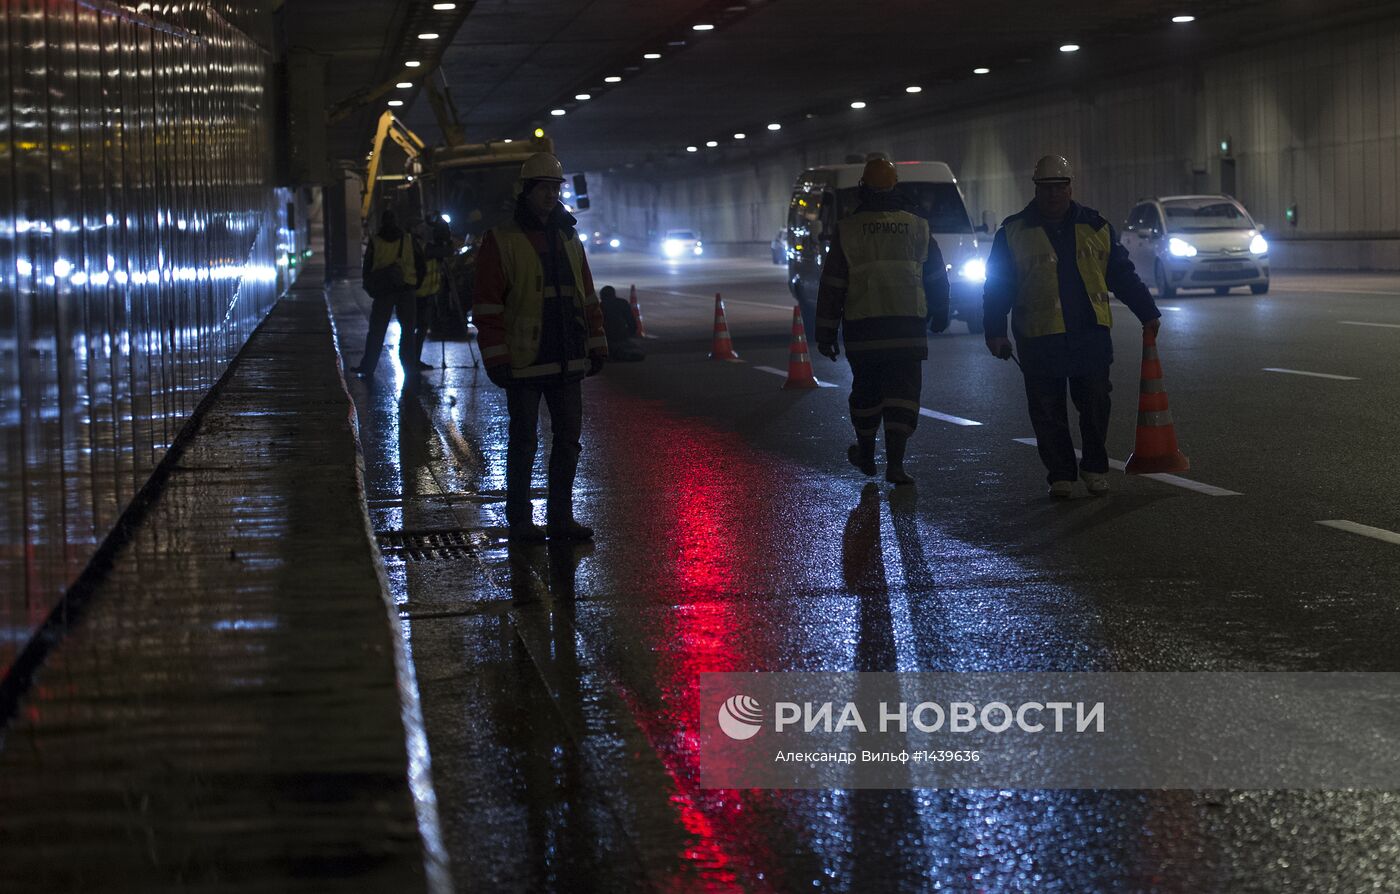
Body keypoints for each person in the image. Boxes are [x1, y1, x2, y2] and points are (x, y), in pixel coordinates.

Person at [982, 154, 1162, 498]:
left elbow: (1121, 274)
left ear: (1069, 187)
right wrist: (994, 331)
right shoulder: (1013, 232)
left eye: (1059, 187)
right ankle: (1061, 475)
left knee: (1095, 406)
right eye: (1046, 188)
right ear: (1036, 189)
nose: (1053, 194)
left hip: (1088, 335)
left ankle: (1094, 468)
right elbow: (998, 285)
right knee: (1048, 413)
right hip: (1039, 338)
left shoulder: (1096, 227)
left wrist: (1147, 311)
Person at [474, 153, 608, 542]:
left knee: (568, 442)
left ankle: (560, 519)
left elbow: (586, 295)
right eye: (543, 188)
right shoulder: (501, 239)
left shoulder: (569, 236)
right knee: (524, 443)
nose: (551, 195)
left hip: (566, 357)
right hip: (524, 361)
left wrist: (596, 343)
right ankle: (520, 522)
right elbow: (486, 305)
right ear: (527, 191)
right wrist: (497, 357)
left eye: (555, 188)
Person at [814, 158, 950, 486]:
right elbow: (935, 277)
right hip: (907, 330)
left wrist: (826, 332)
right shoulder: (918, 227)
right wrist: (942, 313)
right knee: (903, 395)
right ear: (895, 186)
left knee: (866, 394)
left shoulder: (848, 230)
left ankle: (865, 453)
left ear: (863, 188)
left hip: (865, 331)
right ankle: (897, 465)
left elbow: (833, 285)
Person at [357, 209, 427, 392]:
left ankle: (368, 366)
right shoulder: (408, 240)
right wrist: (414, 285)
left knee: (377, 331)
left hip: (383, 293)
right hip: (406, 290)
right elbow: (421, 264)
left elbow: (368, 267)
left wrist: (372, 290)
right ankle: (409, 367)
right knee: (408, 331)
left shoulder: (376, 241)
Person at [414, 214, 453, 369]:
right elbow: (447, 251)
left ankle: (414, 359)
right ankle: (413, 359)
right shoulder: (423, 246)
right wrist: (447, 240)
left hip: (427, 292)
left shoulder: (427, 244)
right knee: (419, 327)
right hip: (420, 293)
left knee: (422, 327)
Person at [599, 285, 645, 362]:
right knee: (636, 351)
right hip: (621, 336)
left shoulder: (600, 306)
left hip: (606, 338)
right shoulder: (622, 303)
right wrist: (628, 334)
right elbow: (632, 323)